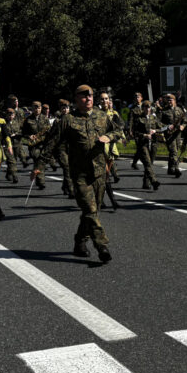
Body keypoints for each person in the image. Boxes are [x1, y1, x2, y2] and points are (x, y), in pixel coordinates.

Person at [45, 84, 119, 263]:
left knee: (92, 212)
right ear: (76, 99)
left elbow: (118, 130)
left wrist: (109, 137)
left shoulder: (102, 116)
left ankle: (80, 242)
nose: (89, 99)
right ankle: (102, 246)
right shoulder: (68, 120)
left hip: (100, 172)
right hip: (80, 174)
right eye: (84, 97)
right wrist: (39, 166)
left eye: (91, 96)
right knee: (90, 210)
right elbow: (51, 143)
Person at [132, 99, 161, 191]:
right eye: (146, 107)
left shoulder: (153, 118)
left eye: (149, 107)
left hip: (153, 143)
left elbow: (161, 127)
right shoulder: (139, 118)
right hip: (143, 144)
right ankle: (154, 181)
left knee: (150, 163)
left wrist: (155, 131)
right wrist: (144, 135)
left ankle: (146, 182)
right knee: (147, 163)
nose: (148, 109)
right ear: (143, 108)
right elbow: (135, 132)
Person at [22, 101, 51, 190]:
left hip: (43, 144)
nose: (37, 110)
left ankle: (38, 179)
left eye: (38, 108)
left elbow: (49, 130)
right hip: (33, 145)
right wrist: (29, 136)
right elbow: (23, 133)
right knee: (38, 159)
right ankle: (41, 181)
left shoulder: (45, 119)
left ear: (41, 108)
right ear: (32, 109)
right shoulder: (28, 120)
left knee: (40, 162)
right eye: (35, 108)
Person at [157, 93, 186, 177]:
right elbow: (158, 122)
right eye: (168, 100)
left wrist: (183, 126)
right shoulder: (164, 111)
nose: (169, 101)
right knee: (174, 151)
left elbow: (185, 120)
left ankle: (170, 169)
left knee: (176, 149)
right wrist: (166, 127)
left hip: (178, 133)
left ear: (174, 101)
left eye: (171, 100)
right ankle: (176, 168)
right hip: (169, 133)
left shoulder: (179, 109)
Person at [127, 93, 145, 169]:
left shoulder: (145, 106)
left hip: (145, 130)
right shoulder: (132, 109)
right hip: (137, 131)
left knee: (142, 147)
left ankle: (134, 162)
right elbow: (130, 120)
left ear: (141, 98)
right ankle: (144, 162)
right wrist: (130, 130)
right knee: (140, 147)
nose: (137, 98)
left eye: (138, 97)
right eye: (135, 97)